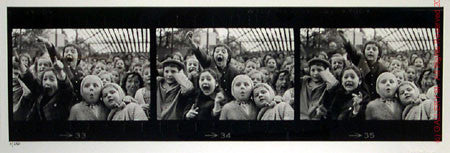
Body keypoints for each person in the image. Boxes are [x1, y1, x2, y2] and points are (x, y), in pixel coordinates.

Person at [186, 31, 241, 98]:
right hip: (209, 100)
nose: (220, 53)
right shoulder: (209, 63)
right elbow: (201, 55)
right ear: (213, 55)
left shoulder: (234, 72)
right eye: (217, 51)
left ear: (228, 57)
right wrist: (193, 45)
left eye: (223, 52)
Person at [340, 32, 388, 101]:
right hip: (360, 97)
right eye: (368, 49)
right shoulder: (360, 61)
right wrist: (347, 41)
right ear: (364, 52)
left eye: (374, 49)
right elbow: (352, 51)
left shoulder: (383, 69)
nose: (370, 51)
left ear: (379, 54)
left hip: (376, 99)